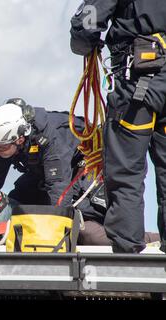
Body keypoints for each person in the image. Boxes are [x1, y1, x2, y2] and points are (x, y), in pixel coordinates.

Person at [70, 0, 166, 253]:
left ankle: (127, 250)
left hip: (138, 85)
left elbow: (88, 22)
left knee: (125, 170)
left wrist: (84, 43)